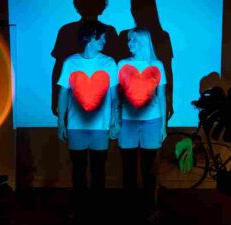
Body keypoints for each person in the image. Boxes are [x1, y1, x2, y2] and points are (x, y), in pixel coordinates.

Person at [57, 20, 119, 218]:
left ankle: (97, 209)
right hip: (76, 125)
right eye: (102, 37)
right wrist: (60, 122)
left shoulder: (109, 63)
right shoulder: (70, 62)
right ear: (91, 37)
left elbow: (115, 96)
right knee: (78, 170)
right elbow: (63, 94)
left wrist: (115, 121)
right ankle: (78, 208)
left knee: (99, 170)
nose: (105, 41)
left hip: (101, 126)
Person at [117, 27, 167, 218]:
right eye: (129, 40)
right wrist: (115, 120)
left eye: (134, 40)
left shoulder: (157, 65)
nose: (130, 44)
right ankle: (130, 208)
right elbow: (117, 96)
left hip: (152, 122)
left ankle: (151, 208)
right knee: (128, 169)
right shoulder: (122, 64)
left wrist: (163, 125)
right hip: (128, 122)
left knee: (150, 171)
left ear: (144, 42)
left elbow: (161, 96)